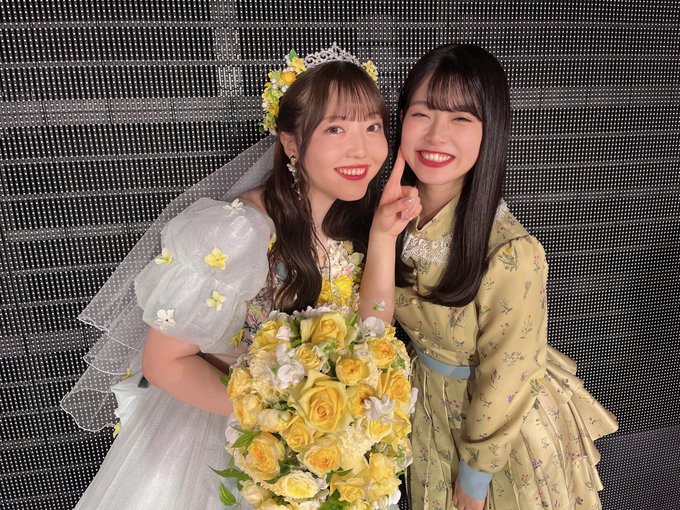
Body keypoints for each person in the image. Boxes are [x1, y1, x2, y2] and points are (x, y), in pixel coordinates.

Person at [62, 44, 418, 509]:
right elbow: (163, 363)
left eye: (372, 126)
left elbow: (372, 333)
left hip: (315, 450)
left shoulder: (347, 223)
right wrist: (284, 419)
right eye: (336, 128)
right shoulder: (238, 230)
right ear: (291, 142)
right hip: (223, 441)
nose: (362, 148)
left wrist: (384, 235)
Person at [360, 44, 619, 510]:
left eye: (461, 118)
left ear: (490, 130)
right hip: (429, 409)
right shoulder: (393, 217)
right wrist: (381, 236)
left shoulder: (511, 251)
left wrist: (475, 478)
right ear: (401, 119)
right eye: (422, 114)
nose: (436, 135)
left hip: (498, 433)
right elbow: (372, 327)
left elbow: (507, 373)